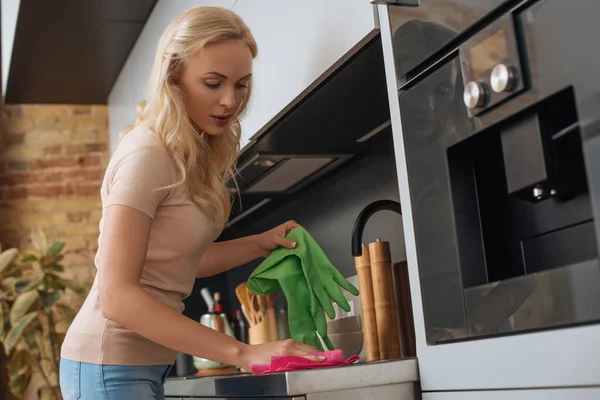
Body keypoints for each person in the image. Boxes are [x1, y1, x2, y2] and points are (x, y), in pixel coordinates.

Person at [59, 6, 326, 399]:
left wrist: (261, 243)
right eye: (213, 83)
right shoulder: (145, 154)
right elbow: (117, 295)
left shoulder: (186, 154)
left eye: (241, 85)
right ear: (174, 78)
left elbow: (177, 262)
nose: (229, 101)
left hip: (141, 365)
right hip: (107, 366)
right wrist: (243, 353)